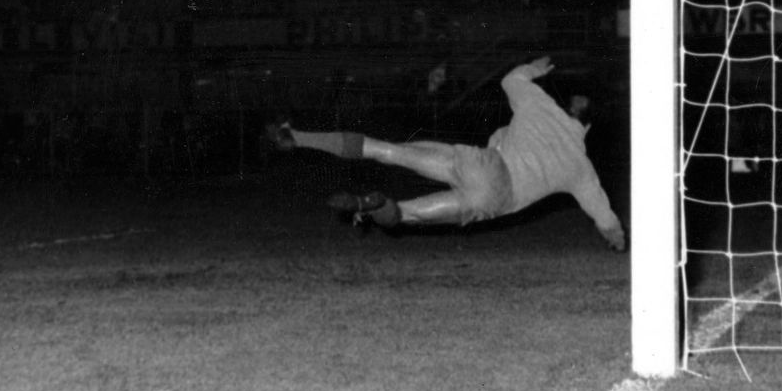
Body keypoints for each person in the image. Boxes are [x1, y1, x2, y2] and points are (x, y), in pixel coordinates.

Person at [268, 55, 625, 251]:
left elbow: (511, 80)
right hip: (497, 198)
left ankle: (297, 136)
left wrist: (536, 67)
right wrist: (617, 239)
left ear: (572, 104)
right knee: (408, 215)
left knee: (388, 151)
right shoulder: (581, 168)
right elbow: (605, 219)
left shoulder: (541, 106)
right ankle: (372, 206)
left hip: (482, 164)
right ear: (590, 125)